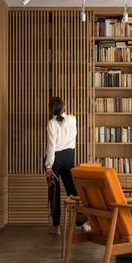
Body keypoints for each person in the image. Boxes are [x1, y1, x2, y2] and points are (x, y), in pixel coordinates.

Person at [45, 97, 88, 235]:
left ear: (50, 109)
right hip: (69, 157)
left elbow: (51, 146)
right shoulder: (72, 119)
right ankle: (83, 224)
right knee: (73, 191)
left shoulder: (51, 123)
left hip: (55, 159)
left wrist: (48, 166)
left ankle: (56, 226)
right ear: (64, 106)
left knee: (54, 193)